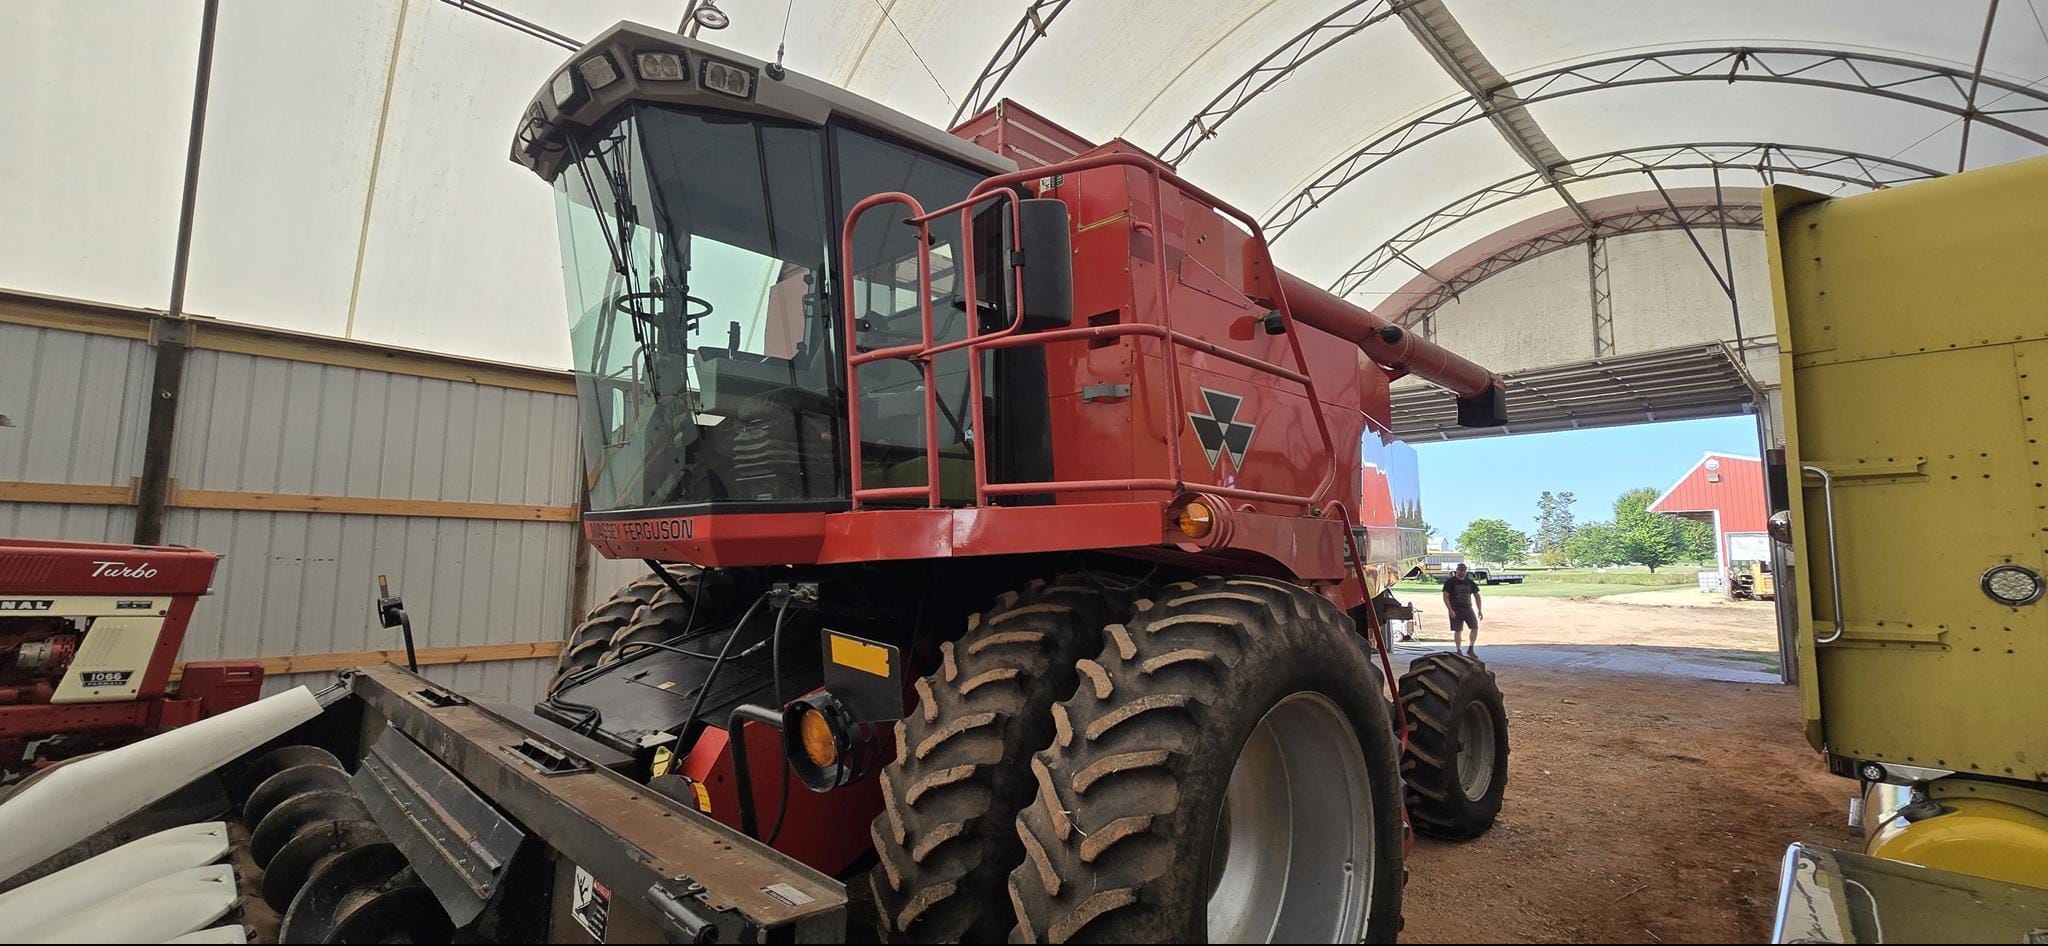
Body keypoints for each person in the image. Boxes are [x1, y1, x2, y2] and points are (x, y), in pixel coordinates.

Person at [1441, 563, 1483, 656]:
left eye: (1464, 570)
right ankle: (1458, 649)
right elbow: (1445, 596)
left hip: (1468, 608)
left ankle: (1471, 648)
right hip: (1456, 609)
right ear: (1457, 570)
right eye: (1460, 570)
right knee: (1458, 630)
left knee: (1474, 627)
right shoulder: (1450, 582)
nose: (1462, 572)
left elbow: (1477, 595)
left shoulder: (1469, 582)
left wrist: (1479, 610)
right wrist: (1450, 610)